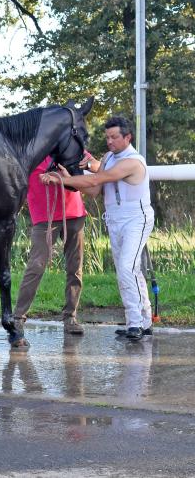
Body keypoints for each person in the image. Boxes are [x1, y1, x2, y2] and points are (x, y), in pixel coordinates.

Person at [42, 115, 155, 341]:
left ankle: (135, 324)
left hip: (136, 218)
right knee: (131, 270)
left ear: (127, 137)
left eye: (114, 137)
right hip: (114, 218)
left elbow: (94, 180)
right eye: (107, 137)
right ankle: (144, 321)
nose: (109, 141)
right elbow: (94, 191)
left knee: (126, 268)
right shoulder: (108, 158)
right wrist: (69, 177)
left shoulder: (132, 161)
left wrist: (61, 181)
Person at [11, 152, 93, 346]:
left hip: (75, 214)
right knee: (36, 266)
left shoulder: (68, 147)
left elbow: (95, 166)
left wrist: (90, 163)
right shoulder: (30, 152)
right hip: (44, 217)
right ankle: (18, 319)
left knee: (75, 267)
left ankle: (70, 317)